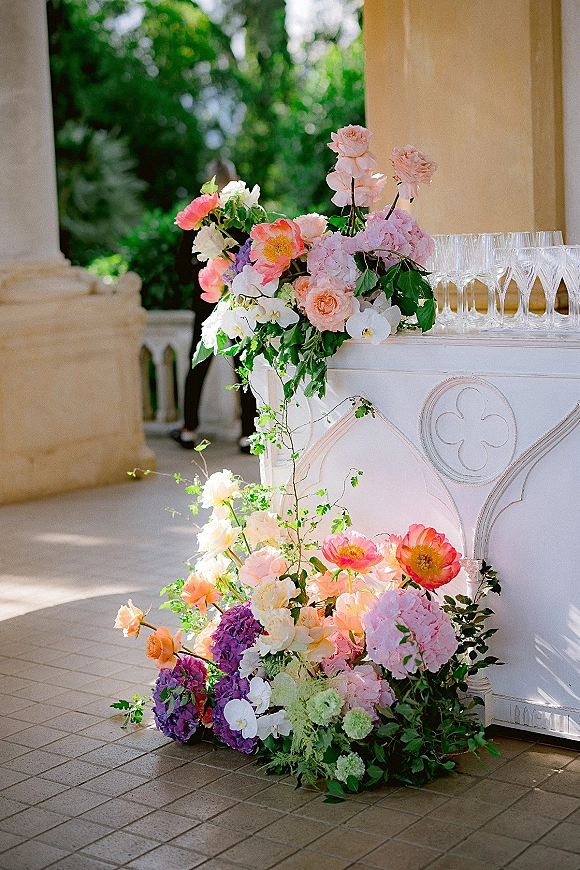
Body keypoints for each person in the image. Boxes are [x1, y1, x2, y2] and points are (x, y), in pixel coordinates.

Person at [171, 159, 257, 453]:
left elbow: (182, 269)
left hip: (207, 298)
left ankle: (188, 429)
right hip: (239, 299)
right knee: (243, 364)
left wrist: (204, 271)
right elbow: (254, 258)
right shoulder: (243, 216)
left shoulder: (197, 219)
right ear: (234, 179)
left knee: (198, 361)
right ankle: (249, 433)